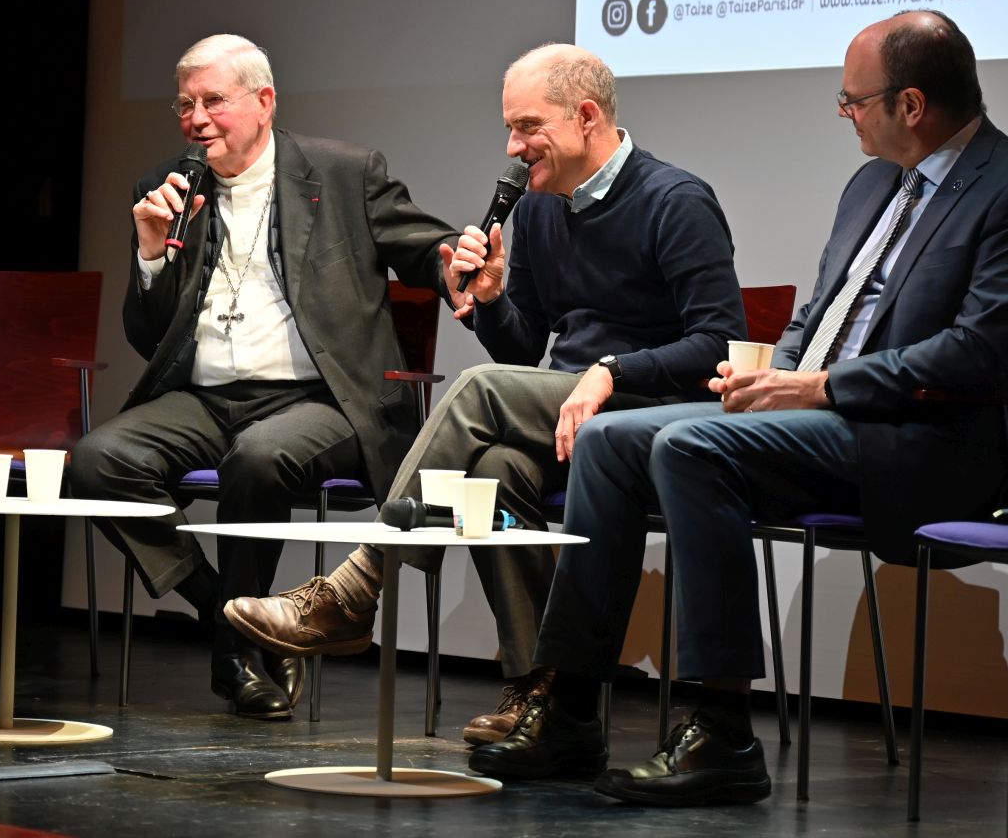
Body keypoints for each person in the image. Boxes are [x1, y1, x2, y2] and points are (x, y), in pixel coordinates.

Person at [469, 12, 1008, 806]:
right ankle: (571, 707)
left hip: (921, 442)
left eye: (853, 100)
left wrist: (818, 387)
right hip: (814, 420)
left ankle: (723, 730)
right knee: (613, 441)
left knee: (691, 447)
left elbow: (979, 354)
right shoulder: (873, 184)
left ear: (911, 104)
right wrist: (770, 374)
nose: (845, 113)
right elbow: (818, 316)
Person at [225, 43, 743, 744]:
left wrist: (613, 369)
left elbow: (720, 343)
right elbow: (523, 351)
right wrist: (494, 300)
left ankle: (356, 585)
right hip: (567, 411)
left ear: (586, 116)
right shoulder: (539, 210)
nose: (512, 148)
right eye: (509, 128)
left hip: (651, 413)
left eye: (528, 127)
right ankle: (544, 695)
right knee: (495, 473)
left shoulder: (675, 200)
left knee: (479, 389)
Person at [67, 33, 458, 720]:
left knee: (258, 457)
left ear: (264, 101)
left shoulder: (343, 172)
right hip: (205, 397)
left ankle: (234, 654)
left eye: (213, 101)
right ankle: (234, 621)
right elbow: (148, 336)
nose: (196, 119)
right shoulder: (169, 190)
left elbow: (429, 249)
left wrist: (460, 263)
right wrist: (151, 253)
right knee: (98, 460)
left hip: (322, 398)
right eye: (185, 104)